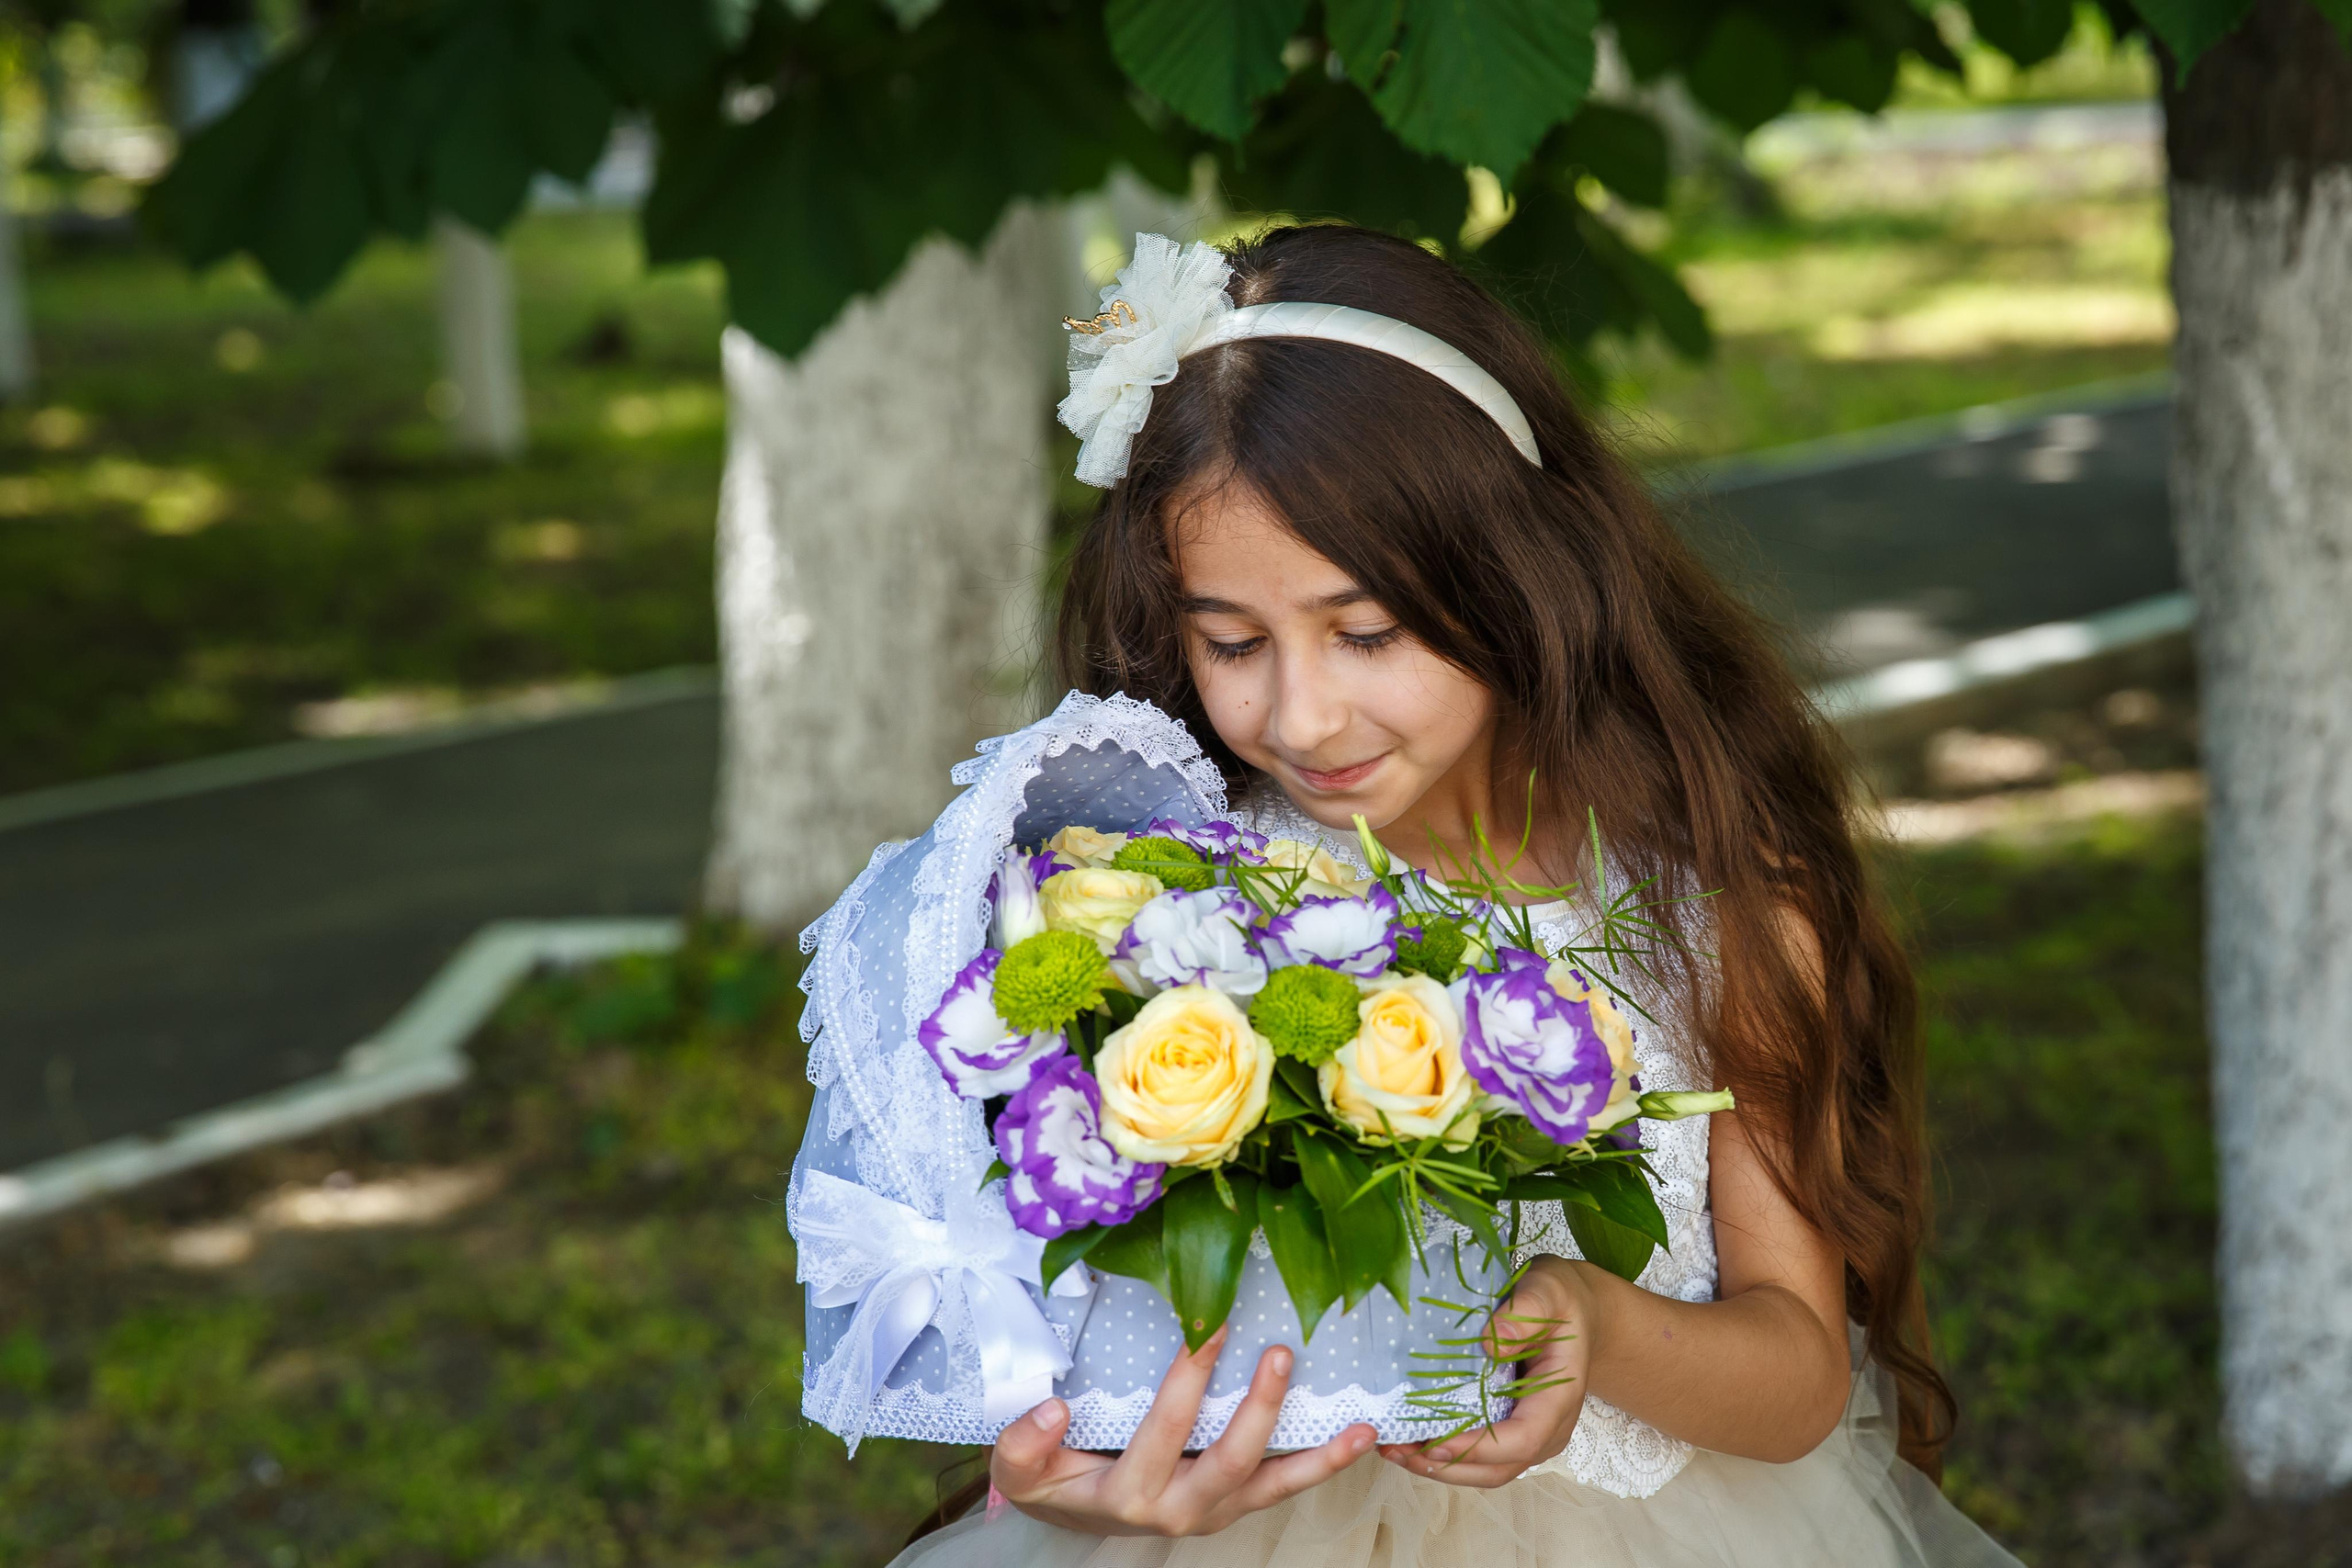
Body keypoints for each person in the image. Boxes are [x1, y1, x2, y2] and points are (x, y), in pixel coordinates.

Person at [881, 223, 2019, 1567]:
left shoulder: (1710, 900)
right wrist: (1073, 1483)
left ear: (1516, 577)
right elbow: (1071, 1358)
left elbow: (1795, 1377)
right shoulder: (1167, 888)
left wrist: (1599, 1326)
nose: (1301, 714)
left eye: (1367, 632)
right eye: (1232, 642)